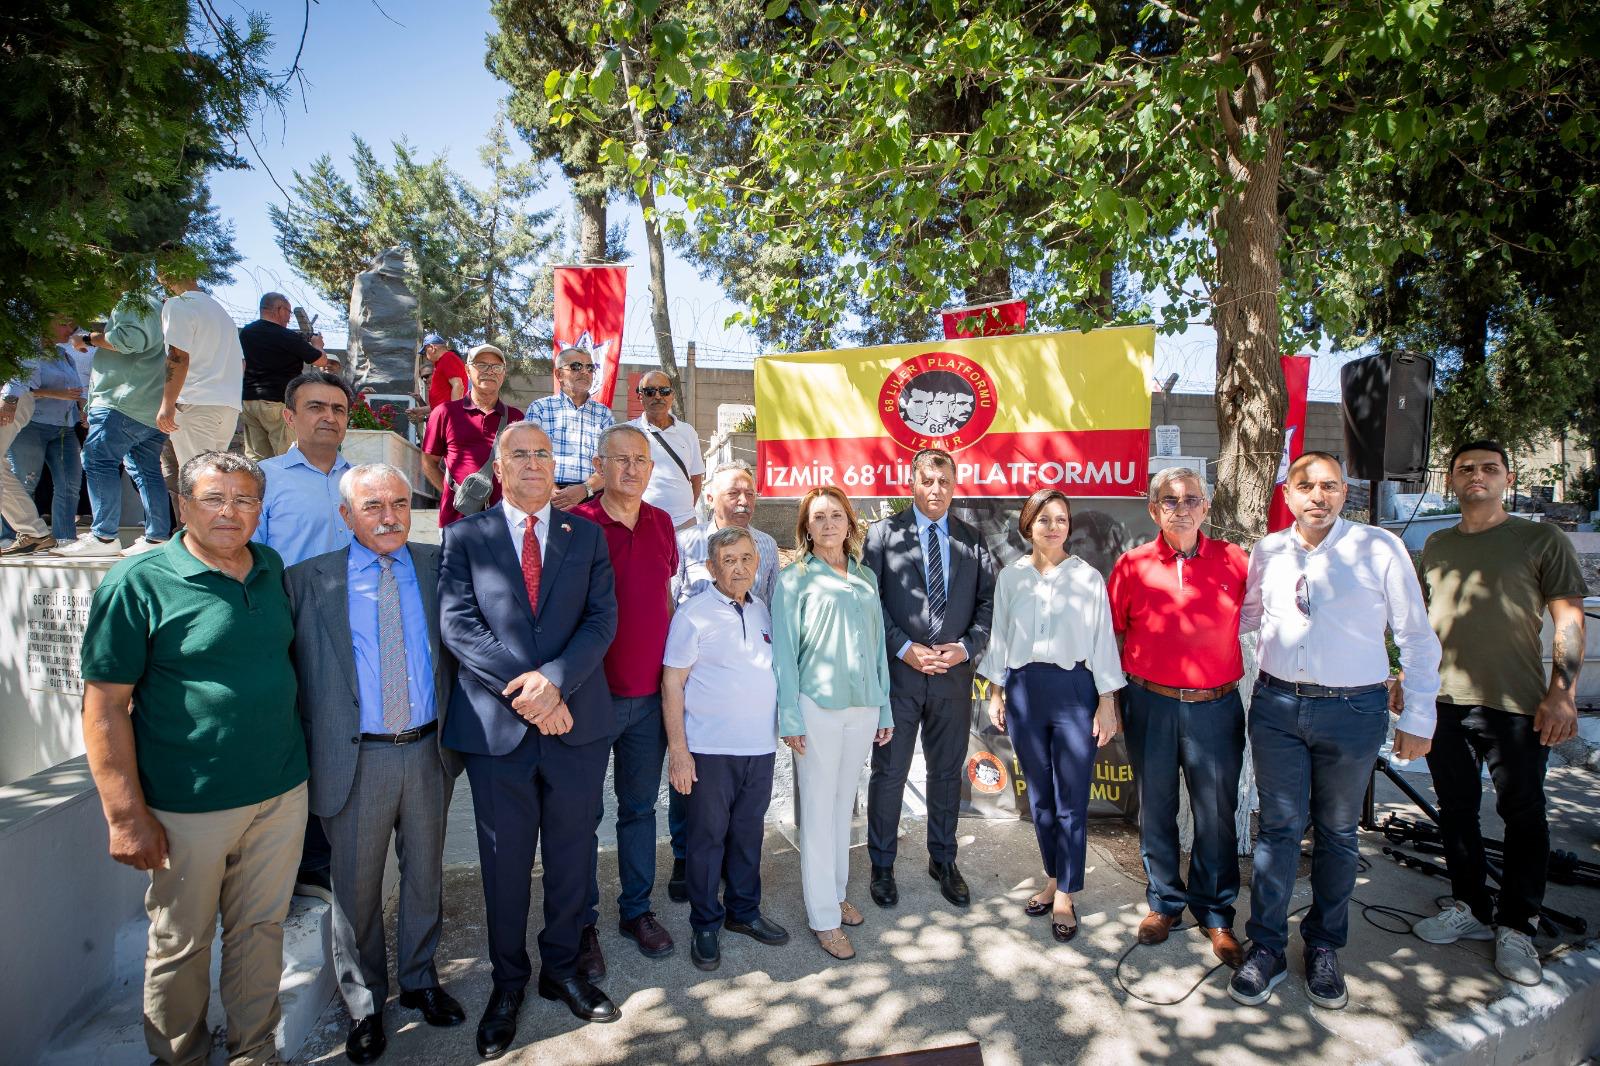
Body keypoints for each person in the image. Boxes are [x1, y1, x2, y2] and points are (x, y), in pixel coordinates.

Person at [79, 451, 309, 1066]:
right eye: (214, 498)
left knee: (261, 933)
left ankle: (255, 1049)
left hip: (281, 793)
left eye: (245, 499)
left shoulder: (269, 566)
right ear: (183, 504)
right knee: (182, 943)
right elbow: (103, 706)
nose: (231, 512)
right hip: (188, 804)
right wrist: (125, 815)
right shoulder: (139, 581)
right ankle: (180, 1055)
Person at [1231, 451, 1441, 1010]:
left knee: (1339, 834)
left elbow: (1416, 637)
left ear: (1344, 493)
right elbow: (1246, 618)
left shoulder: (1379, 547)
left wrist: (1419, 715)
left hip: (1353, 711)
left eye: (1329, 486)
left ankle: (1324, 945)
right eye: (1306, 486)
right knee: (1277, 832)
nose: (1317, 496)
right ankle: (1267, 947)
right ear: (1289, 495)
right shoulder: (1269, 549)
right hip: (1276, 705)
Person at [439, 421, 621, 1057]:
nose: (535, 464)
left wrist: (556, 686)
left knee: (573, 858)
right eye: (520, 454)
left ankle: (562, 969)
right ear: (498, 465)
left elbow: (602, 621)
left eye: (544, 454)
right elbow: (459, 625)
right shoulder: (465, 536)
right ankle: (507, 983)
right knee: (505, 864)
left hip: (575, 726)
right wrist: (529, 690)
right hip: (498, 732)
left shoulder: (587, 537)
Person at [286, 463, 465, 1064]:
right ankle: (365, 1005)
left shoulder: (435, 566)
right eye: (372, 506)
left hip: (427, 750)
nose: (389, 516)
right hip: (354, 758)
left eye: (397, 503)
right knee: (356, 891)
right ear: (346, 515)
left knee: (424, 876)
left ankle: (419, 980)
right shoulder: (307, 581)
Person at [1411, 441, 1588, 987]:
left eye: (1489, 468)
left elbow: (1569, 619)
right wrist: (1407, 683)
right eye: (1466, 469)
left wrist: (1563, 691)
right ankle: (1469, 905)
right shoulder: (1436, 545)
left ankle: (1517, 924)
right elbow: (1419, 628)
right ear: (1452, 479)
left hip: (1517, 705)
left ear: (1507, 478)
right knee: (1456, 811)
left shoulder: (1540, 539)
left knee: (1524, 815)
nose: (1477, 476)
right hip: (1444, 703)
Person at [1107, 467, 1249, 968]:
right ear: (1154, 510)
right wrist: (1109, 699)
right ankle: (1164, 903)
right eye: (1170, 500)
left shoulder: (1235, 560)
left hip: (1216, 706)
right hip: (1151, 703)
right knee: (1157, 809)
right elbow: (1111, 635)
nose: (1181, 507)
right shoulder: (1132, 564)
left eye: (1191, 499)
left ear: (1206, 507)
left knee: (1215, 814)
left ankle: (1215, 913)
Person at [980, 489, 1124, 945]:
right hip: (1024, 692)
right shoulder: (1011, 578)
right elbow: (1000, 638)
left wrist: (1107, 701)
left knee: (1071, 799)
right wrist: (996, 691)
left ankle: (1067, 892)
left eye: (1061, 519)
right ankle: (1051, 876)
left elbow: (1102, 641)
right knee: (1040, 798)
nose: (1054, 526)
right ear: (1029, 525)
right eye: (1044, 519)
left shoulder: (1086, 578)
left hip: (1073, 691)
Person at [862, 448, 996, 909]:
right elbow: (870, 602)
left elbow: (986, 606)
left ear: (954, 484)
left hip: (952, 679)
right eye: (927, 481)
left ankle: (943, 858)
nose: (935, 489)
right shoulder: (882, 535)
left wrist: (964, 649)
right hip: (900, 676)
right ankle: (882, 865)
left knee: (944, 773)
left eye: (943, 481)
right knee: (890, 772)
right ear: (912, 482)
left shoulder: (972, 539)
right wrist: (904, 648)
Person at [572, 424, 680, 970]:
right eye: (620, 460)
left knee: (640, 810)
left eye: (640, 460)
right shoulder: (578, 524)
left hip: (649, 701)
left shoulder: (662, 524)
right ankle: (581, 922)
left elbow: (663, 597)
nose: (632, 469)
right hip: (593, 701)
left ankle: (636, 910)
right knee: (582, 816)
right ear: (600, 464)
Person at [772, 485, 893, 960]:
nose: (828, 524)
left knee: (844, 809)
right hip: (817, 707)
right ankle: (822, 917)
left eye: (836, 515)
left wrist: (883, 707)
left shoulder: (864, 576)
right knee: (819, 814)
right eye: (818, 517)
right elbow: (784, 652)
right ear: (806, 526)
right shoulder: (795, 578)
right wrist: (789, 715)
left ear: (850, 522)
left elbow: (878, 646)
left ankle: (837, 893)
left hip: (862, 706)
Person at [664, 525, 791, 971]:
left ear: (758, 564)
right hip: (708, 750)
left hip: (759, 748)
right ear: (713, 567)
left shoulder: (764, 612)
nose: (739, 567)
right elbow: (672, 683)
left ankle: (744, 912)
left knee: (747, 836)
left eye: (746, 559)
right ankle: (704, 923)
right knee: (705, 840)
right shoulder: (693, 614)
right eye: (729, 560)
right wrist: (678, 751)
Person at [664, 459, 780, 901]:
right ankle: (683, 858)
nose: (743, 500)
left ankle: (731, 875)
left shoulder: (766, 545)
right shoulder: (685, 542)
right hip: (693, 676)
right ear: (709, 496)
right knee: (687, 780)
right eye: (733, 492)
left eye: (749, 492)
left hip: (744, 680)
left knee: (739, 808)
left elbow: (766, 602)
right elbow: (671, 602)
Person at [53, 289, 173, 558]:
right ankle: (157, 537)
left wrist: (87, 338)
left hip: (123, 401)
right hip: (149, 406)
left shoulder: (133, 300)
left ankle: (104, 537)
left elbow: (130, 340)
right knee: (146, 470)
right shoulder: (161, 307)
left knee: (97, 460)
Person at [254, 371, 355, 570]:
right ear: (289, 417)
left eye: (338, 410)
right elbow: (249, 554)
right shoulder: (262, 479)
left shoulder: (361, 481)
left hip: (355, 598)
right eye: (316, 407)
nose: (330, 417)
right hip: (289, 598)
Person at [2, 323, 87, 552]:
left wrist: (81, 408)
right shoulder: (29, 342)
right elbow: (25, 384)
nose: (71, 329)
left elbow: (21, 377)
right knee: (19, 479)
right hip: (34, 424)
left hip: (62, 426)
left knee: (68, 484)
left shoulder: (60, 354)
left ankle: (54, 537)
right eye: (66, 322)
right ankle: (17, 535)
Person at [421, 342, 523, 527]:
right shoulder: (445, 413)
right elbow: (428, 463)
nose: (489, 371)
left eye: (496, 366)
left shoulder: (517, 418)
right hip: (456, 521)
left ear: (503, 374)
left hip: (504, 523)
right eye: (481, 365)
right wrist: (453, 492)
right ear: (467, 370)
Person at [156, 273, 244, 466]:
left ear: (162, 276)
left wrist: (167, 404)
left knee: (196, 481)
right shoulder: (220, 311)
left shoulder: (177, 304)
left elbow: (178, 356)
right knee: (213, 480)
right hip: (228, 407)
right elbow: (241, 363)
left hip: (195, 404)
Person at [238, 292, 328, 461]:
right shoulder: (286, 336)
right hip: (277, 403)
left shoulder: (246, 332)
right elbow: (320, 360)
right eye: (288, 312)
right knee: (287, 457)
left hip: (250, 401)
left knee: (257, 460)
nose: (289, 318)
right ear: (279, 310)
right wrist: (318, 345)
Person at [522, 345, 613, 509]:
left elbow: (610, 464)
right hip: (545, 495)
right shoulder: (540, 409)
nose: (585, 372)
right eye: (576, 366)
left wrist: (585, 489)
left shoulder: (604, 414)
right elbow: (527, 456)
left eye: (590, 367)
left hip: (592, 498)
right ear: (559, 374)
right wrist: (552, 491)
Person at [629, 370, 704, 529]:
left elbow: (696, 478)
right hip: (640, 520)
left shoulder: (688, 432)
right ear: (640, 397)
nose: (657, 396)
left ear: (672, 395)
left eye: (663, 391)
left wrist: (686, 509)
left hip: (684, 522)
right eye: (650, 391)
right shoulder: (628, 432)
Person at [407, 333, 468, 427]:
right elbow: (442, 402)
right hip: (443, 417)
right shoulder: (441, 362)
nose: (425, 356)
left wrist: (455, 416)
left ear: (432, 347)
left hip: (449, 420)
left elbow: (458, 386)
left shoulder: (448, 357)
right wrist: (419, 410)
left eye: (425, 352)